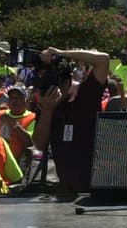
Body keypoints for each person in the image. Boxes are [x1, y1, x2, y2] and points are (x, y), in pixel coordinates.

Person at [30, 47, 110, 194]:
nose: (50, 90)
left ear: (67, 83)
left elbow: (103, 60)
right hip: (66, 190)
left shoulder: (86, 97)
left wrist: (61, 53)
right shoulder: (49, 106)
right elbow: (39, 144)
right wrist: (47, 110)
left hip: (94, 188)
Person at [0, 85, 38, 172]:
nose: (15, 101)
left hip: (17, 166)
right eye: (12, 98)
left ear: (26, 100)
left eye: (18, 98)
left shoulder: (33, 118)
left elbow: (30, 143)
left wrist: (15, 124)